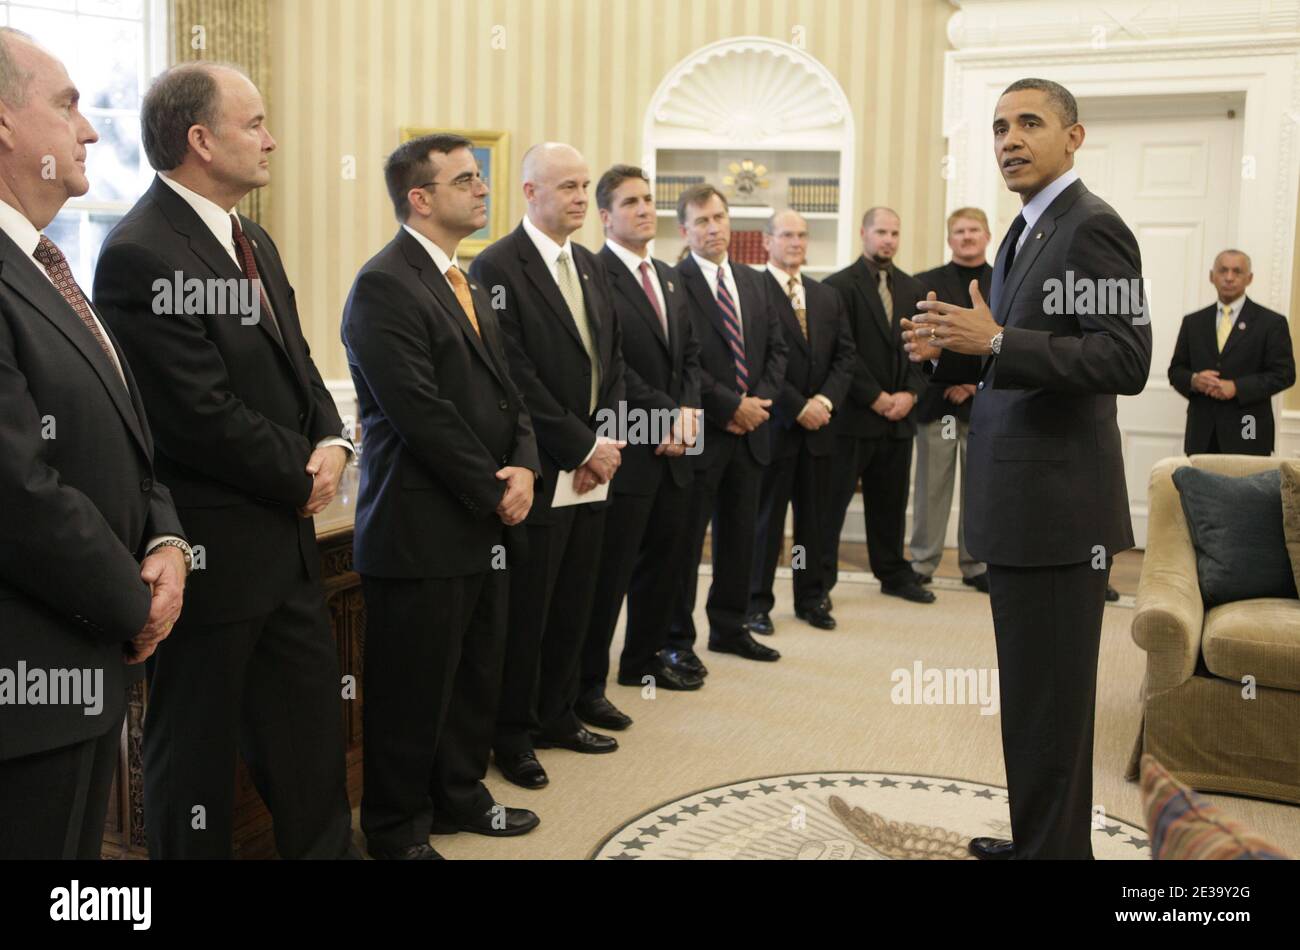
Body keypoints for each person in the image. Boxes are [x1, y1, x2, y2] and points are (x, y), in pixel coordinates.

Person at [93, 62, 355, 859]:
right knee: (195, 761)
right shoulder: (139, 250)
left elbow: (300, 366)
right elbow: (193, 414)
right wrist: (301, 470)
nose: (271, 139)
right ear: (201, 140)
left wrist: (335, 442)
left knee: (310, 744)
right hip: (209, 559)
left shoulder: (255, 240)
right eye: (255, 124)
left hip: (289, 550)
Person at [904, 78, 1151, 859]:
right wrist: (958, 347)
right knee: (1034, 704)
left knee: (1050, 705)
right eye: (1000, 126)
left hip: (1058, 513)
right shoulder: (1023, 230)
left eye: (1031, 124)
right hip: (1019, 504)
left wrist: (998, 343)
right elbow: (1017, 352)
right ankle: (1042, 841)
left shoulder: (1093, 228)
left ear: (1074, 137)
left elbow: (1126, 356)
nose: (1010, 139)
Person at [0, 26, 189, 860]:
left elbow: (126, 436)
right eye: (68, 103)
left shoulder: (50, 264)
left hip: (82, 662)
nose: (89, 129)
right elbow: (17, 490)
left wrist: (170, 541)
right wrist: (133, 601)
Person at [341, 134, 542, 859]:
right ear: (419, 198)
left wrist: (524, 466)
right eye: (465, 180)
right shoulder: (384, 284)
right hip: (419, 528)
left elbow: (506, 390)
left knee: (473, 677)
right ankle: (396, 829)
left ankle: (460, 796)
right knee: (411, 694)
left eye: (481, 179)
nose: (482, 189)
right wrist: (496, 490)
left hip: (483, 519)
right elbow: (419, 413)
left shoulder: (465, 279)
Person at [470, 143, 627, 790]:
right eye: (566, 186)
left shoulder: (589, 263)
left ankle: (560, 713)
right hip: (540, 462)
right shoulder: (496, 265)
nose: (580, 199)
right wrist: (581, 447)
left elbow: (612, 360)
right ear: (529, 192)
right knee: (527, 612)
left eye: (586, 186)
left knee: (575, 603)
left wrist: (607, 440)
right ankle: (514, 735)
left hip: (594, 466)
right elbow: (514, 375)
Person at [578, 164, 705, 732]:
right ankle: (587, 686)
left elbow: (693, 357)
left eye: (649, 200)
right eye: (631, 202)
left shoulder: (669, 276)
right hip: (628, 440)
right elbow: (614, 364)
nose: (645, 209)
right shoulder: (595, 273)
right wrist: (668, 419)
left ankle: (643, 662)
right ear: (606, 216)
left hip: (677, 443)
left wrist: (690, 417)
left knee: (666, 565)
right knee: (609, 575)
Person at [666, 184, 788, 666]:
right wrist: (729, 406)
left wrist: (759, 402)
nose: (713, 228)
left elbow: (777, 350)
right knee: (686, 544)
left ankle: (730, 627)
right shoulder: (673, 281)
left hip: (752, 431)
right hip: (705, 433)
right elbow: (684, 361)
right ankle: (677, 640)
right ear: (684, 230)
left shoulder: (755, 281)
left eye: (719, 217)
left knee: (742, 539)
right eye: (701, 221)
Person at [747, 210, 856, 634]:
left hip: (820, 430)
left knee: (813, 524)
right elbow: (757, 362)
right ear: (767, 241)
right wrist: (796, 406)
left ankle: (810, 596)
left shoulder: (825, 295)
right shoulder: (752, 291)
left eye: (802, 235)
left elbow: (846, 356)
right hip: (775, 428)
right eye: (787, 235)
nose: (796, 242)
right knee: (767, 524)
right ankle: (756, 603)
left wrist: (825, 402)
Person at [824, 208, 933, 605]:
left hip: (899, 419)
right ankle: (818, 585)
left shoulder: (913, 288)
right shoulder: (836, 287)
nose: (888, 239)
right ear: (863, 233)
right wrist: (875, 397)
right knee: (830, 506)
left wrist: (911, 394)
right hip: (853, 418)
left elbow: (925, 353)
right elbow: (839, 354)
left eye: (894, 232)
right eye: (880, 232)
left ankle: (893, 573)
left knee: (890, 503)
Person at [910, 209, 991, 593]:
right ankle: (923, 562)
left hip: (987, 407)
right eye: (959, 231)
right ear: (950, 239)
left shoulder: (1005, 280)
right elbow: (918, 343)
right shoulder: (925, 283)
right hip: (936, 404)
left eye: (974, 229)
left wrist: (975, 383)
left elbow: (1007, 339)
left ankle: (975, 565)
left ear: (987, 235)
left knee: (980, 489)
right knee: (931, 487)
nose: (967, 236)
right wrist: (950, 378)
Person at [1168, 249, 1295, 455]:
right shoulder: (1193, 322)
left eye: (1237, 271)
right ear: (1212, 276)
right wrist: (1194, 380)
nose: (1229, 277)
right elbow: (1176, 370)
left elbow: (1285, 375)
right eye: (1223, 270)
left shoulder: (1271, 323)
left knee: (1247, 487)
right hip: (1202, 433)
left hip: (1249, 429)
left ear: (1249, 278)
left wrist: (1237, 387)